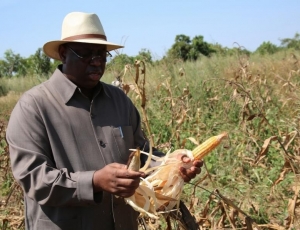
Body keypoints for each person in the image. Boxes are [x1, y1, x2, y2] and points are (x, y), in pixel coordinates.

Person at [6, 12, 203, 230]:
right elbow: (34, 178)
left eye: (102, 54)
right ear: (63, 53)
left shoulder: (119, 101)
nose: (97, 61)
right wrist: (94, 181)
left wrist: (172, 165)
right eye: (86, 54)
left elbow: (142, 156)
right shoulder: (34, 107)